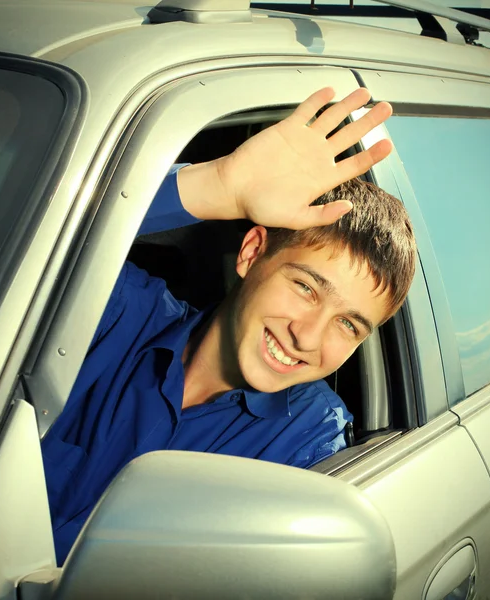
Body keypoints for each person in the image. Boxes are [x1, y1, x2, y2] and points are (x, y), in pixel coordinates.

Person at [42, 87, 417, 564]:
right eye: (306, 288)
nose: (308, 337)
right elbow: (12, 235)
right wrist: (219, 185)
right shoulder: (121, 313)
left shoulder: (309, 445)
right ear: (251, 252)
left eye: (347, 324)